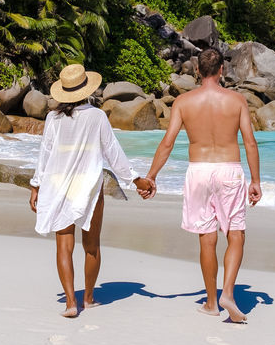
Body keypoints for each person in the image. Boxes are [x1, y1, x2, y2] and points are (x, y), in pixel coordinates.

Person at [141, 47, 261, 322]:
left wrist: (151, 176)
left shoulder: (183, 102)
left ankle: (211, 302)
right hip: (229, 170)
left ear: (197, 71)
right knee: (236, 234)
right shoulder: (237, 100)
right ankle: (227, 292)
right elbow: (250, 142)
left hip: (198, 171)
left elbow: (168, 142)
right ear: (222, 70)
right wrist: (255, 180)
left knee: (207, 239)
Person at [29, 62, 154, 318]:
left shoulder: (52, 118)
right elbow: (113, 153)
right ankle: (88, 298)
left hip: (58, 186)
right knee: (91, 246)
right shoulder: (97, 117)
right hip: (87, 187)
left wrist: (36, 186)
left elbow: (45, 155)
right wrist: (136, 180)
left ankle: (70, 304)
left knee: (64, 245)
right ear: (86, 89)